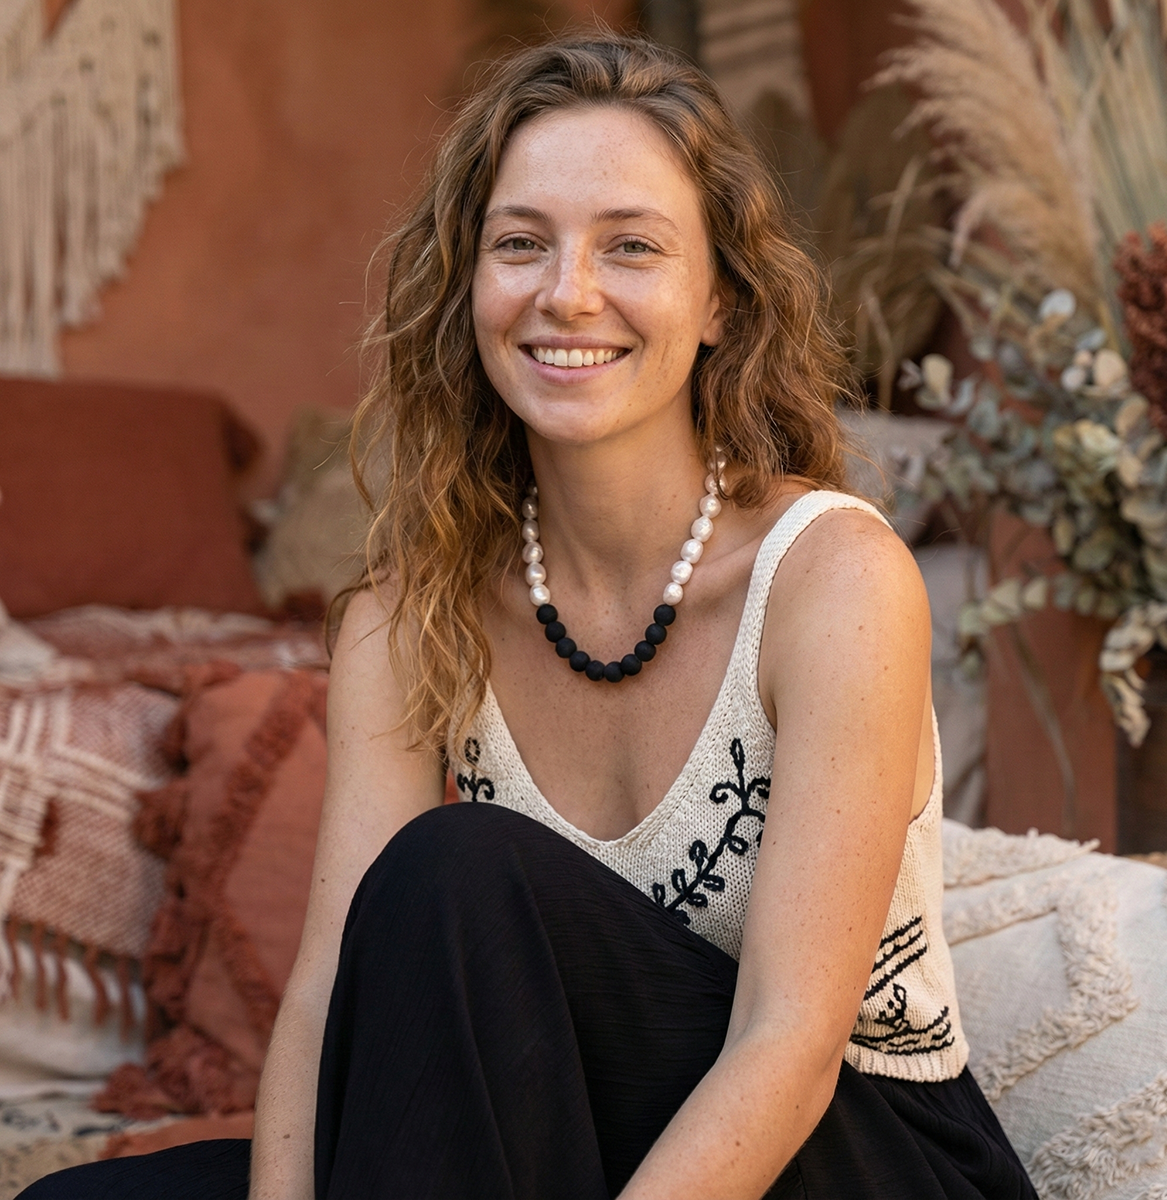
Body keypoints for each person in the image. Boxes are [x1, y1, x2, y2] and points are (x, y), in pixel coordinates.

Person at [22, 32, 1037, 1200]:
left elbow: (789, 1043)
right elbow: (324, 990)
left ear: (719, 301)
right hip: (560, 1132)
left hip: (852, 1152)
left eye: (632, 247)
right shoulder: (413, 612)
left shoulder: (832, 581)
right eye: (520, 244)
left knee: (459, 871)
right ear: (468, 289)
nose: (568, 292)